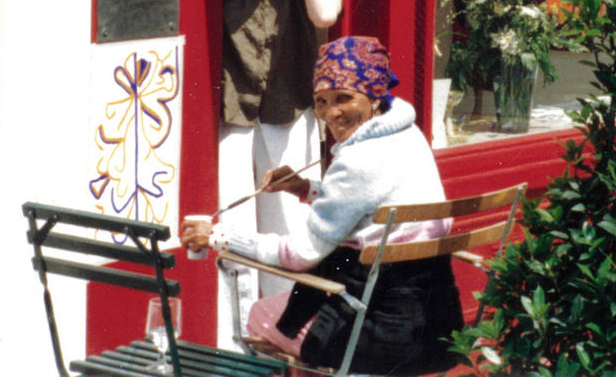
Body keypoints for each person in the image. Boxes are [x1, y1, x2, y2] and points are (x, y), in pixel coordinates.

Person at [185, 37, 463, 375]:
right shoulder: (408, 135)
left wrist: (218, 236)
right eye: (320, 101)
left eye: (343, 98)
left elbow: (297, 255)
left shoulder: (357, 159)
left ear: (375, 94)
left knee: (262, 314)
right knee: (301, 301)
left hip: (379, 332)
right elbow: (369, 204)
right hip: (438, 323)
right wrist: (306, 189)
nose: (331, 113)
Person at [218, 0, 344, 345]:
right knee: (230, 222)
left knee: (290, 227)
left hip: (286, 110)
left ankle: (282, 338)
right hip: (227, 109)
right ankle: (233, 343)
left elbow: (325, 13)